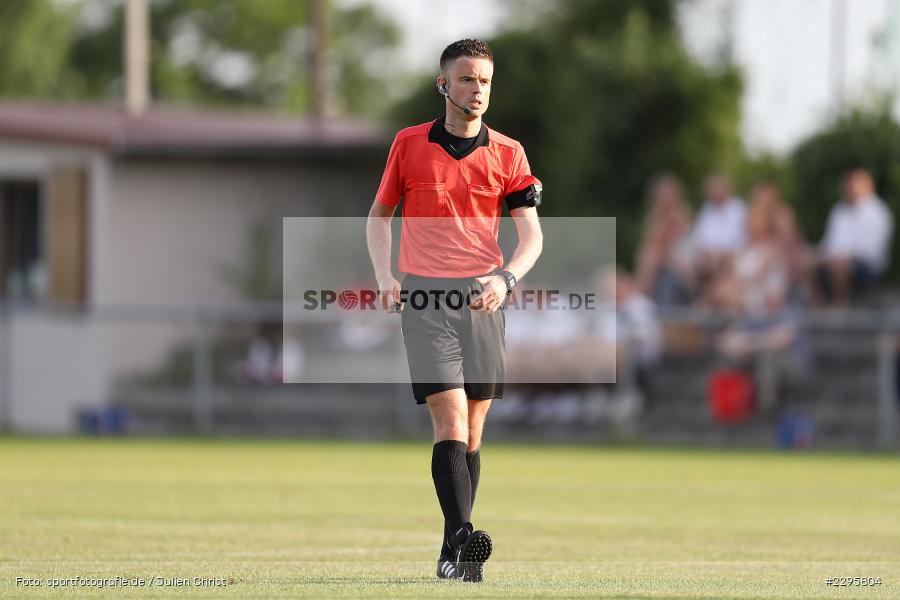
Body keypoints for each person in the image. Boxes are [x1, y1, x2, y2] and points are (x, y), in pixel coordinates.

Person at [366, 39, 544, 583]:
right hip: (424, 299)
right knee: (449, 417)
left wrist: (506, 277)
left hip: (483, 300)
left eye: (485, 81)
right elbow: (379, 217)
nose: (477, 90)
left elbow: (532, 236)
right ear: (444, 84)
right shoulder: (409, 144)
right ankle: (466, 534)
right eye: (467, 79)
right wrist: (385, 277)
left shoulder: (509, 153)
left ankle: (452, 553)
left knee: (473, 433)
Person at [817, 168, 894, 307]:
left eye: (853, 184)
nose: (850, 189)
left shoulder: (878, 212)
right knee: (806, 261)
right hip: (837, 260)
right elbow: (828, 243)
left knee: (840, 264)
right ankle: (817, 306)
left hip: (868, 266)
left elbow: (870, 251)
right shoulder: (839, 210)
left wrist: (840, 257)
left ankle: (841, 306)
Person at [634, 173, 694, 306]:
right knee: (647, 254)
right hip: (664, 256)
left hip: (680, 257)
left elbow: (671, 240)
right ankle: (640, 294)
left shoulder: (682, 213)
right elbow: (651, 240)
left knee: (650, 256)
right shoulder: (654, 215)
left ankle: (639, 294)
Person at [689, 173, 747, 297]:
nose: (715, 192)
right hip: (708, 257)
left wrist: (720, 254)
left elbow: (741, 239)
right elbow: (698, 238)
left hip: (731, 256)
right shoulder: (706, 209)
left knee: (716, 265)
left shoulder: (739, 209)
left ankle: (708, 298)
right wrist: (708, 253)